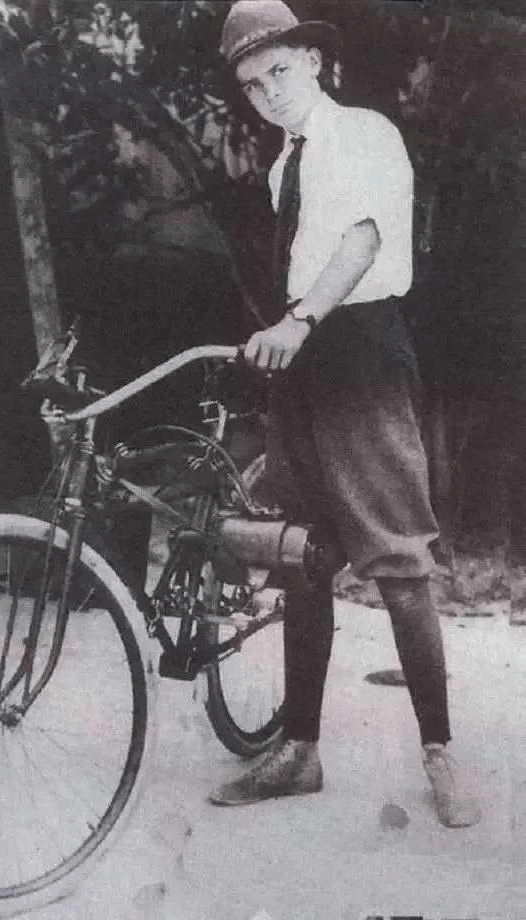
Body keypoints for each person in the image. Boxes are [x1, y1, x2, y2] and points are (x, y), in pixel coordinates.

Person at [209, 0, 480, 828]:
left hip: (360, 351)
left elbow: (362, 241)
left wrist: (297, 322)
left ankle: (440, 754)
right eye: (252, 85)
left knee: (398, 558)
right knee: (300, 554)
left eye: (278, 71)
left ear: (313, 62)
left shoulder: (363, 134)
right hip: (306, 360)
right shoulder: (282, 166)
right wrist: (288, 336)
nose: (269, 92)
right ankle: (300, 750)